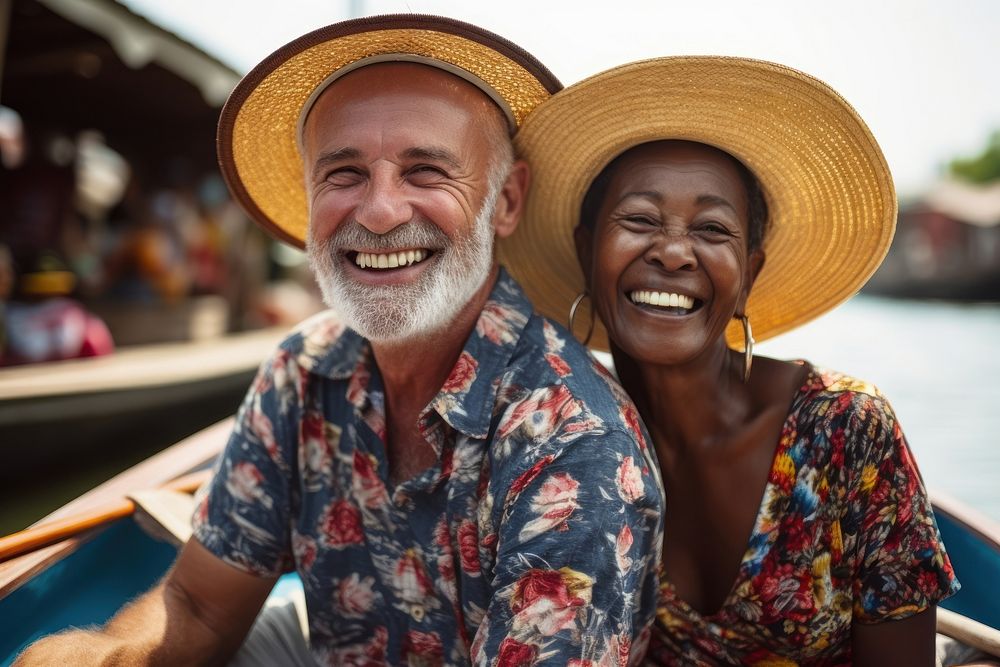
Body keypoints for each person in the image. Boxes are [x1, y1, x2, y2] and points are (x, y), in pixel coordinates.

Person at [14, 15, 664, 667]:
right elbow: (199, 604)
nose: (379, 211)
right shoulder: (305, 368)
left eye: (426, 172)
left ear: (507, 199)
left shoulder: (576, 446)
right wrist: (99, 657)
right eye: (344, 173)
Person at [506, 57, 964, 665]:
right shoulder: (570, 442)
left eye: (713, 230)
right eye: (640, 219)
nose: (672, 253)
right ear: (587, 250)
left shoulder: (846, 427)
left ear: (749, 273)